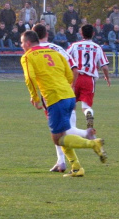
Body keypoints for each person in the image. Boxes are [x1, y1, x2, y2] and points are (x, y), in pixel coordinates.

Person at [20, 30, 107, 177]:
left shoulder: (27, 56)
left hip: (55, 98)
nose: (21, 45)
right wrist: (65, 87)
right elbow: (69, 73)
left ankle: (93, 143)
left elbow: (30, 78)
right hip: (68, 95)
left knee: (58, 138)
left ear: (28, 43)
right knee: (63, 133)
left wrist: (35, 98)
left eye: (22, 42)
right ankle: (76, 167)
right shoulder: (54, 52)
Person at [67, 24, 111, 128]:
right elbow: (104, 67)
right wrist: (107, 78)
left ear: (81, 33)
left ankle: (72, 128)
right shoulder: (97, 47)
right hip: (89, 79)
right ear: (93, 34)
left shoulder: (75, 45)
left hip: (75, 78)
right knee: (86, 106)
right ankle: (88, 114)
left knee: (72, 105)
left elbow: (64, 57)